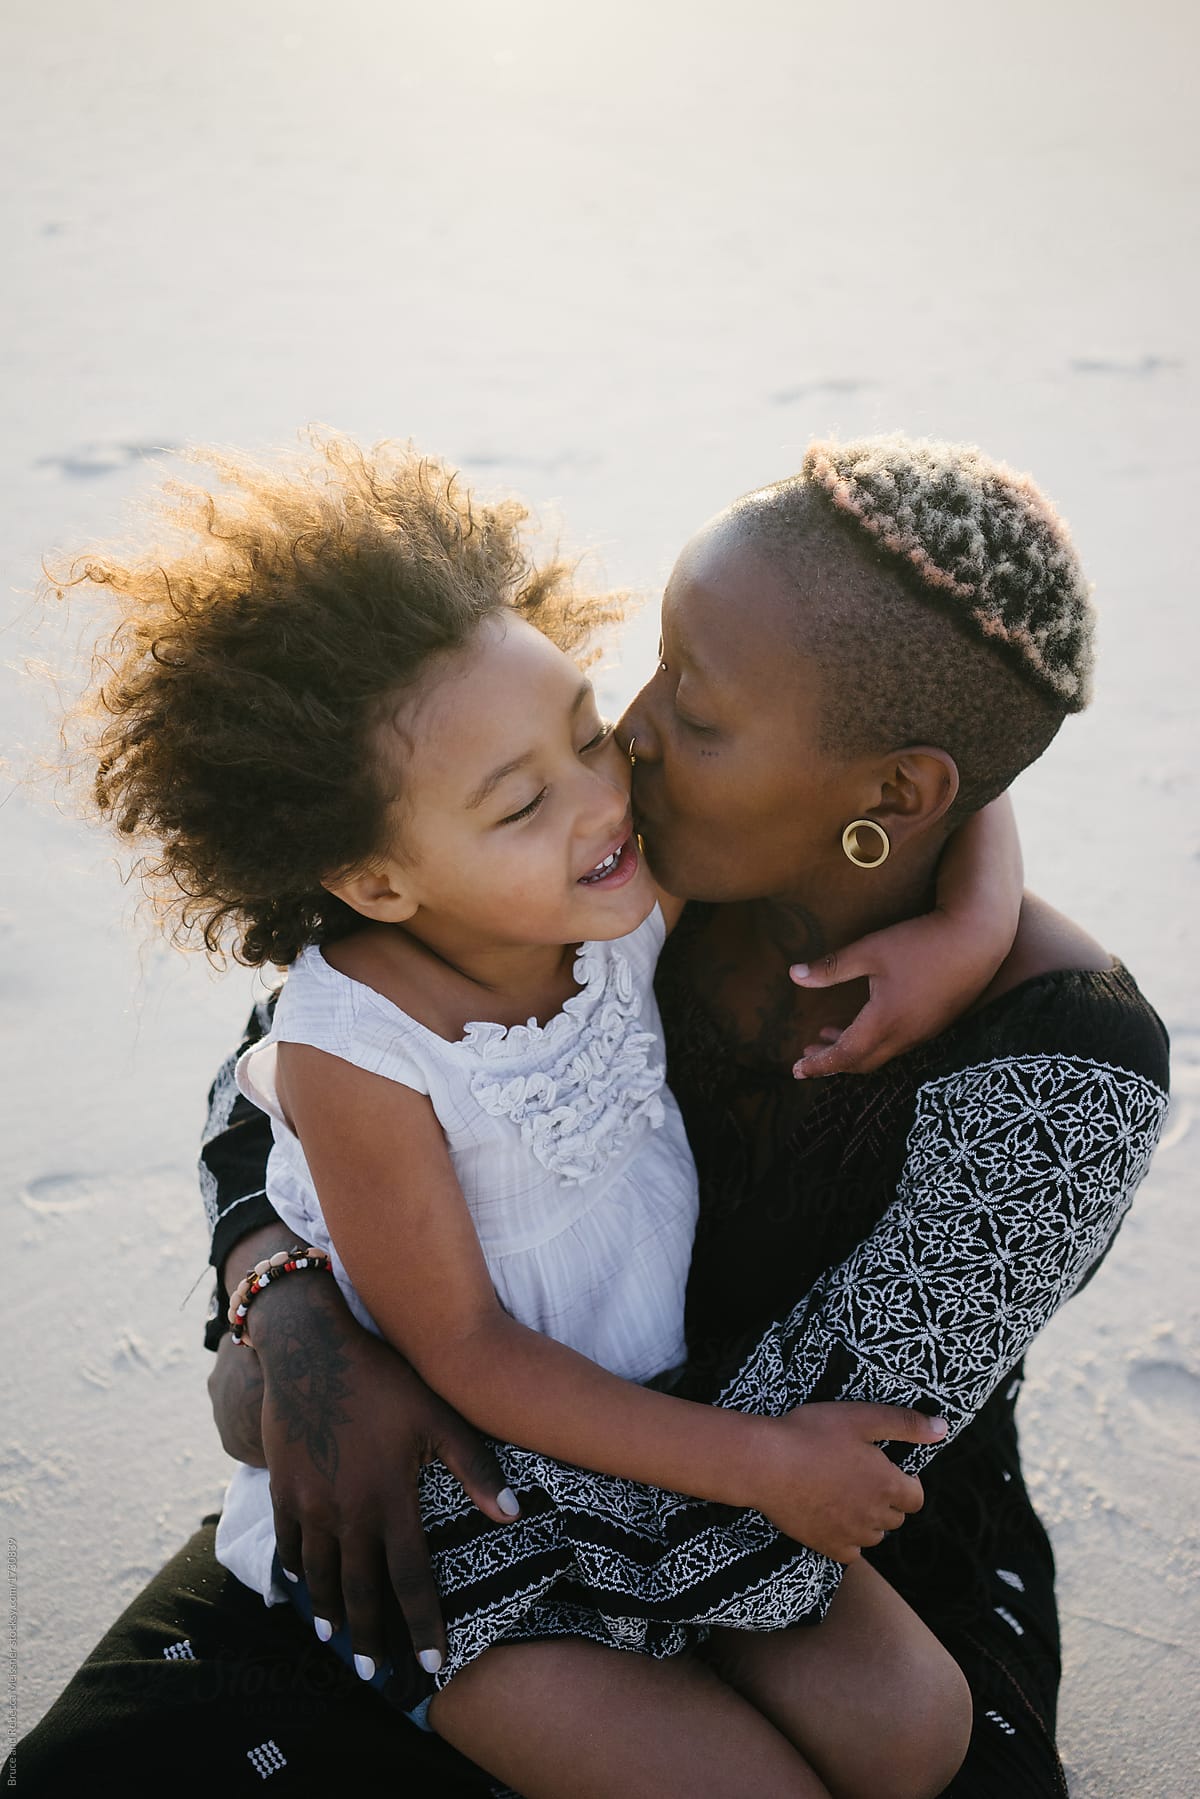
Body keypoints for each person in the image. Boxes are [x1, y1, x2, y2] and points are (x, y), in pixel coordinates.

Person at [11, 434, 1168, 1798]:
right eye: (653, 669)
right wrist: (286, 1300)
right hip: (450, 1481)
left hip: (818, 1509)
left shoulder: (1055, 1059)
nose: (627, 737)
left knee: (916, 1740)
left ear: (896, 797)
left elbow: (841, 1435)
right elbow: (291, 1067)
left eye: (698, 709)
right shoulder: (627, 870)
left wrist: (972, 915)